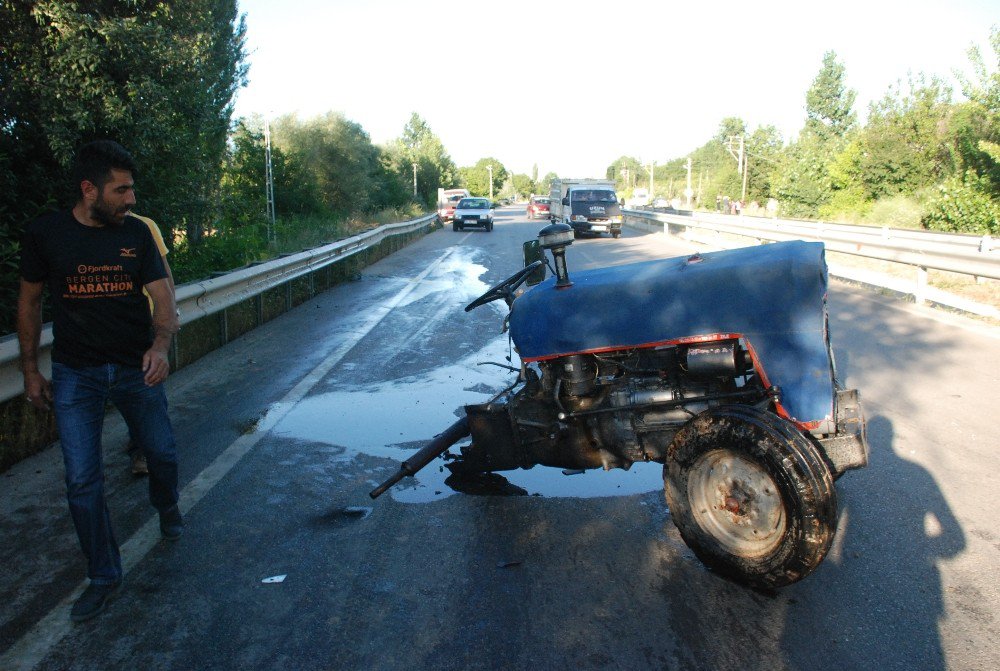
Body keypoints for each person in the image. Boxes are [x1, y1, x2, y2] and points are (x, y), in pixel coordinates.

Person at [17, 140, 182, 623]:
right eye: (121, 190)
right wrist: (30, 369)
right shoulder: (46, 234)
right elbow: (29, 303)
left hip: (136, 368)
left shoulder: (136, 234)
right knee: (82, 481)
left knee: (162, 453)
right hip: (76, 374)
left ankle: (166, 504)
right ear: (89, 190)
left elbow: (164, 297)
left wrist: (160, 347)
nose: (131, 199)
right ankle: (104, 576)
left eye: (132, 189)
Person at [123, 213, 175, 477]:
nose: (129, 198)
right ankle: (142, 442)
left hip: (149, 323)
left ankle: (146, 449)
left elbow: (165, 273)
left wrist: (170, 313)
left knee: (148, 386)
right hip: (120, 325)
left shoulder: (145, 226)